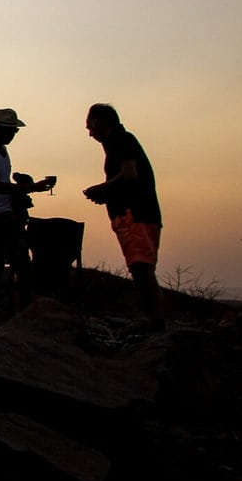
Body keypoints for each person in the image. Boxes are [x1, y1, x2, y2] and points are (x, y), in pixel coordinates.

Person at [82, 103, 165, 330]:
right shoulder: (120, 142)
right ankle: (153, 319)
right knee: (140, 266)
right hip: (136, 212)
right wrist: (106, 194)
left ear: (100, 122)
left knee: (141, 266)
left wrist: (103, 188)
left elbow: (129, 174)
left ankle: (155, 321)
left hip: (135, 214)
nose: (90, 133)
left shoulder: (120, 140)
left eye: (90, 127)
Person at [0, 108, 56, 308]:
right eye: (8, 131)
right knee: (3, 267)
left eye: (13, 131)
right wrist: (30, 187)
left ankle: (18, 307)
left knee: (22, 264)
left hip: (7, 215)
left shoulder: (2, 152)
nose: (11, 135)